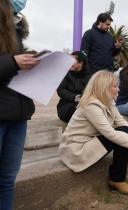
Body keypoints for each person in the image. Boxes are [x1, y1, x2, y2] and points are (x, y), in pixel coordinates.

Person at [59, 71, 128, 195]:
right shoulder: (90, 105)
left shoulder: (108, 102)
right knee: (120, 134)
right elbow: (110, 134)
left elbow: (121, 122)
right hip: (76, 150)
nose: (118, 89)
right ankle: (117, 180)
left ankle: (117, 179)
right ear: (104, 87)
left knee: (124, 130)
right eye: (115, 86)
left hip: (90, 143)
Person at [0, 1, 40, 209]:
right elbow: (10, 63)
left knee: (7, 181)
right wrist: (14, 63)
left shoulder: (15, 28)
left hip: (17, 116)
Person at [57, 51, 91, 123]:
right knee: (80, 111)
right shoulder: (65, 74)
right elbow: (60, 90)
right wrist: (74, 97)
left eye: (72, 60)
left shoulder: (90, 77)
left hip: (86, 105)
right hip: (66, 106)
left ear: (80, 63)